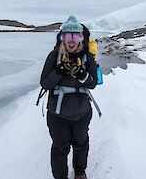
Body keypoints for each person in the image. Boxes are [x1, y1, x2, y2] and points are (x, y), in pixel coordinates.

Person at [40, 15, 98, 179]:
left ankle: (79, 173)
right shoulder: (54, 56)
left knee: (81, 144)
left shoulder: (88, 58)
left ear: (81, 37)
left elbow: (92, 83)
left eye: (75, 36)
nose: (71, 40)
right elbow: (45, 83)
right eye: (67, 36)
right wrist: (59, 71)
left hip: (82, 112)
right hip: (57, 115)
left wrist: (82, 75)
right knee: (60, 148)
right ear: (62, 38)